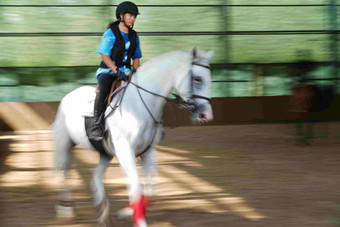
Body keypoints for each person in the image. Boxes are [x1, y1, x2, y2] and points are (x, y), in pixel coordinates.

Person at [90, 1, 142, 140]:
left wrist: (135, 71)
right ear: (121, 15)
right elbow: (104, 55)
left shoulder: (134, 35)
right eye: (130, 15)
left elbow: (136, 56)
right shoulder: (110, 33)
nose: (133, 18)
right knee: (103, 89)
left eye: (135, 16)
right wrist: (116, 70)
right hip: (108, 71)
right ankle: (97, 125)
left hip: (127, 72)